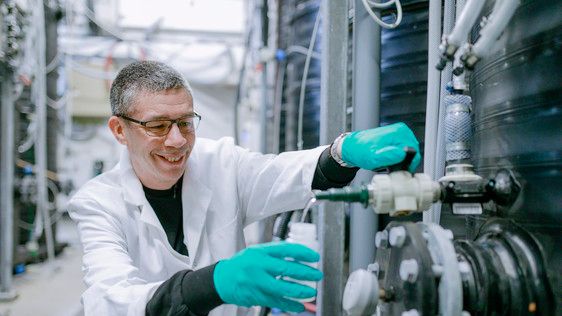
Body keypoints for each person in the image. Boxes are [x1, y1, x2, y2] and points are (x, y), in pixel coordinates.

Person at [67, 60, 421, 315]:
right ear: (119, 130)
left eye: (185, 123)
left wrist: (342, 152)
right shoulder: (98, 203)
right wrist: (216, 282)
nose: (176, 141)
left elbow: (288, 174)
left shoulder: (221, 163)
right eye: (158, 126)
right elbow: (110, 302)